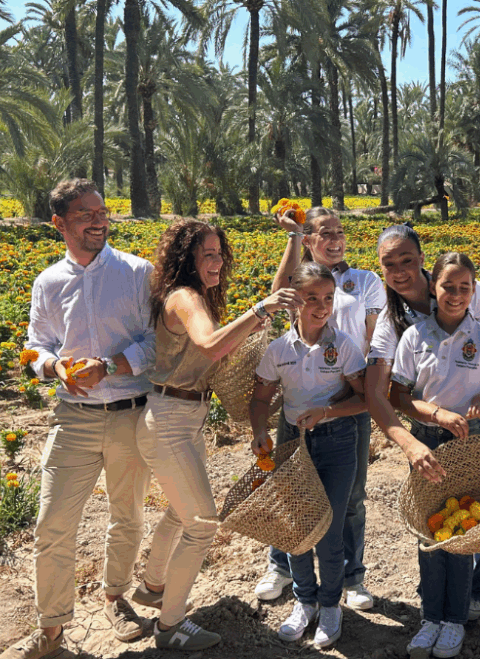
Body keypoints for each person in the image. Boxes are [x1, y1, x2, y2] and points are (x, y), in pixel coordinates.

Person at [129, 219, 301, 650]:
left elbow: (268, 303)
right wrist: (259, 311)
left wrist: (293, 240)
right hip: (170, 420)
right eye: (208, 255)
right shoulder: (185, 298)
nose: (217, 263)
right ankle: (169, 627)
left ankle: (153, 587)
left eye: (220, 255)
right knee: (202, 524)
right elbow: (210, 345)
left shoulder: (196, 297)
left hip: (184, 418)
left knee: (180, 513)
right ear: (187, 259)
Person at [4, 179, 155, 659]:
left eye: (102, 212)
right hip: (73, 418)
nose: (98, 221)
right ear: (59, 223)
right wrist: (54, 368)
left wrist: (110, 365)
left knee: (127, 516)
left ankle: (116, 599)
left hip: (132, 413)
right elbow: (36, 346)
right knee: (51, 525)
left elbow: (158, 341)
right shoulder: (48, 282)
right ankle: (50, 631)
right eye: (85, 214)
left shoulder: (137, 272)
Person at [365, 223, 480, 619]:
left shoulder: (462, 282)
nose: (400, 271)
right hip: (433, 414)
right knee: (442, 507)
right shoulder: (393, 322)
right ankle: (441, 597)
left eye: (407, 260)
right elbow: (383, 392)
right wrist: (411, 439)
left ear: (422, 260)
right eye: (389, 264)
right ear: (381, 268)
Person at [254, 207, 386, 611]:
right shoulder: (298, 279)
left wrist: (360, 389)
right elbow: (278, 297)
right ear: (309, 239)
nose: (336, 239)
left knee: (351, 495)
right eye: (325, 233)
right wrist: (292, 237)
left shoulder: (365, 281)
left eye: (340, 231)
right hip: (299, 399)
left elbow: (373, 338)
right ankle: (282, 566)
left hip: (347, 397)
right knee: (291, 492)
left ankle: (351, 576)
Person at [249, 262, 369, 649]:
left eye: (328, 298)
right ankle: (305, 602)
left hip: (337, 441)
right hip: (292, 442)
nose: (322, 307)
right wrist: (259, 431)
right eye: (312, 298)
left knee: (328, 529)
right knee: (296, 528)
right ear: (294, 302)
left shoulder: (344, 346)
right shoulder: (278, 350)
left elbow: (365, 399)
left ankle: (330, 605)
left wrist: (327, 412)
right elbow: (260, 399)